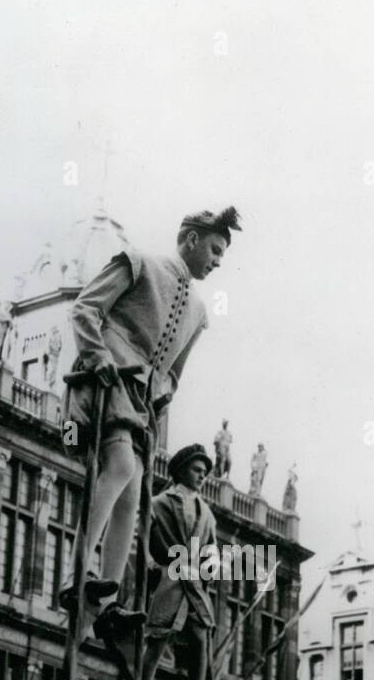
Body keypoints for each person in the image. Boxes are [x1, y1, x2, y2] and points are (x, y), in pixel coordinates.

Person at [59, 206, 241, 639]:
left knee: (132, 494)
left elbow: (173, 375)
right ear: (192, 239)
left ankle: (104, 603)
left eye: (223, 256)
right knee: (118, 468)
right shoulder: (139, 263)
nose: (217, 262)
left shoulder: (198, 311)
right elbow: (85, 309)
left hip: (140, 405)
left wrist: (158, 417)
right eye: (215, 250)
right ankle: (77, 574)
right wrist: (98, 356)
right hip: (102, 383)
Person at [141, 443, 217, 680]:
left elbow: (210, 550)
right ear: (181, 470)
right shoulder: (160, 502)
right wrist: (151, 560)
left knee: (201, 637)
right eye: (197, 470)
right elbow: (145, 535)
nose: (201, 476)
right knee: (158, 640)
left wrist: (209, 571)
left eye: (205, 472)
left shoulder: (207, 514)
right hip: (171, 579)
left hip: (195, 584)